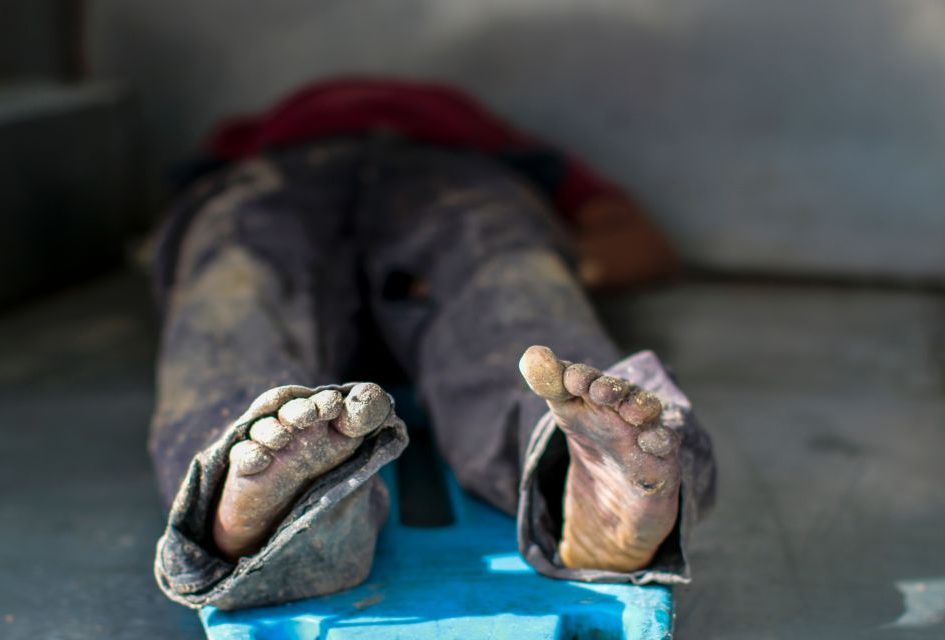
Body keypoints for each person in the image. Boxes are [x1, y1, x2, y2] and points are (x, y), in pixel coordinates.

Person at [149, 77, 716, 610]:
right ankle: (264, 502)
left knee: (506, 284)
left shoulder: (509, 150)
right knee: (235, 282)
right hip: (278, 177)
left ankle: (585, 481)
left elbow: (643, 246)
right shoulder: (240, 144)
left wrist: (545, 270)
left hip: (454, 176)